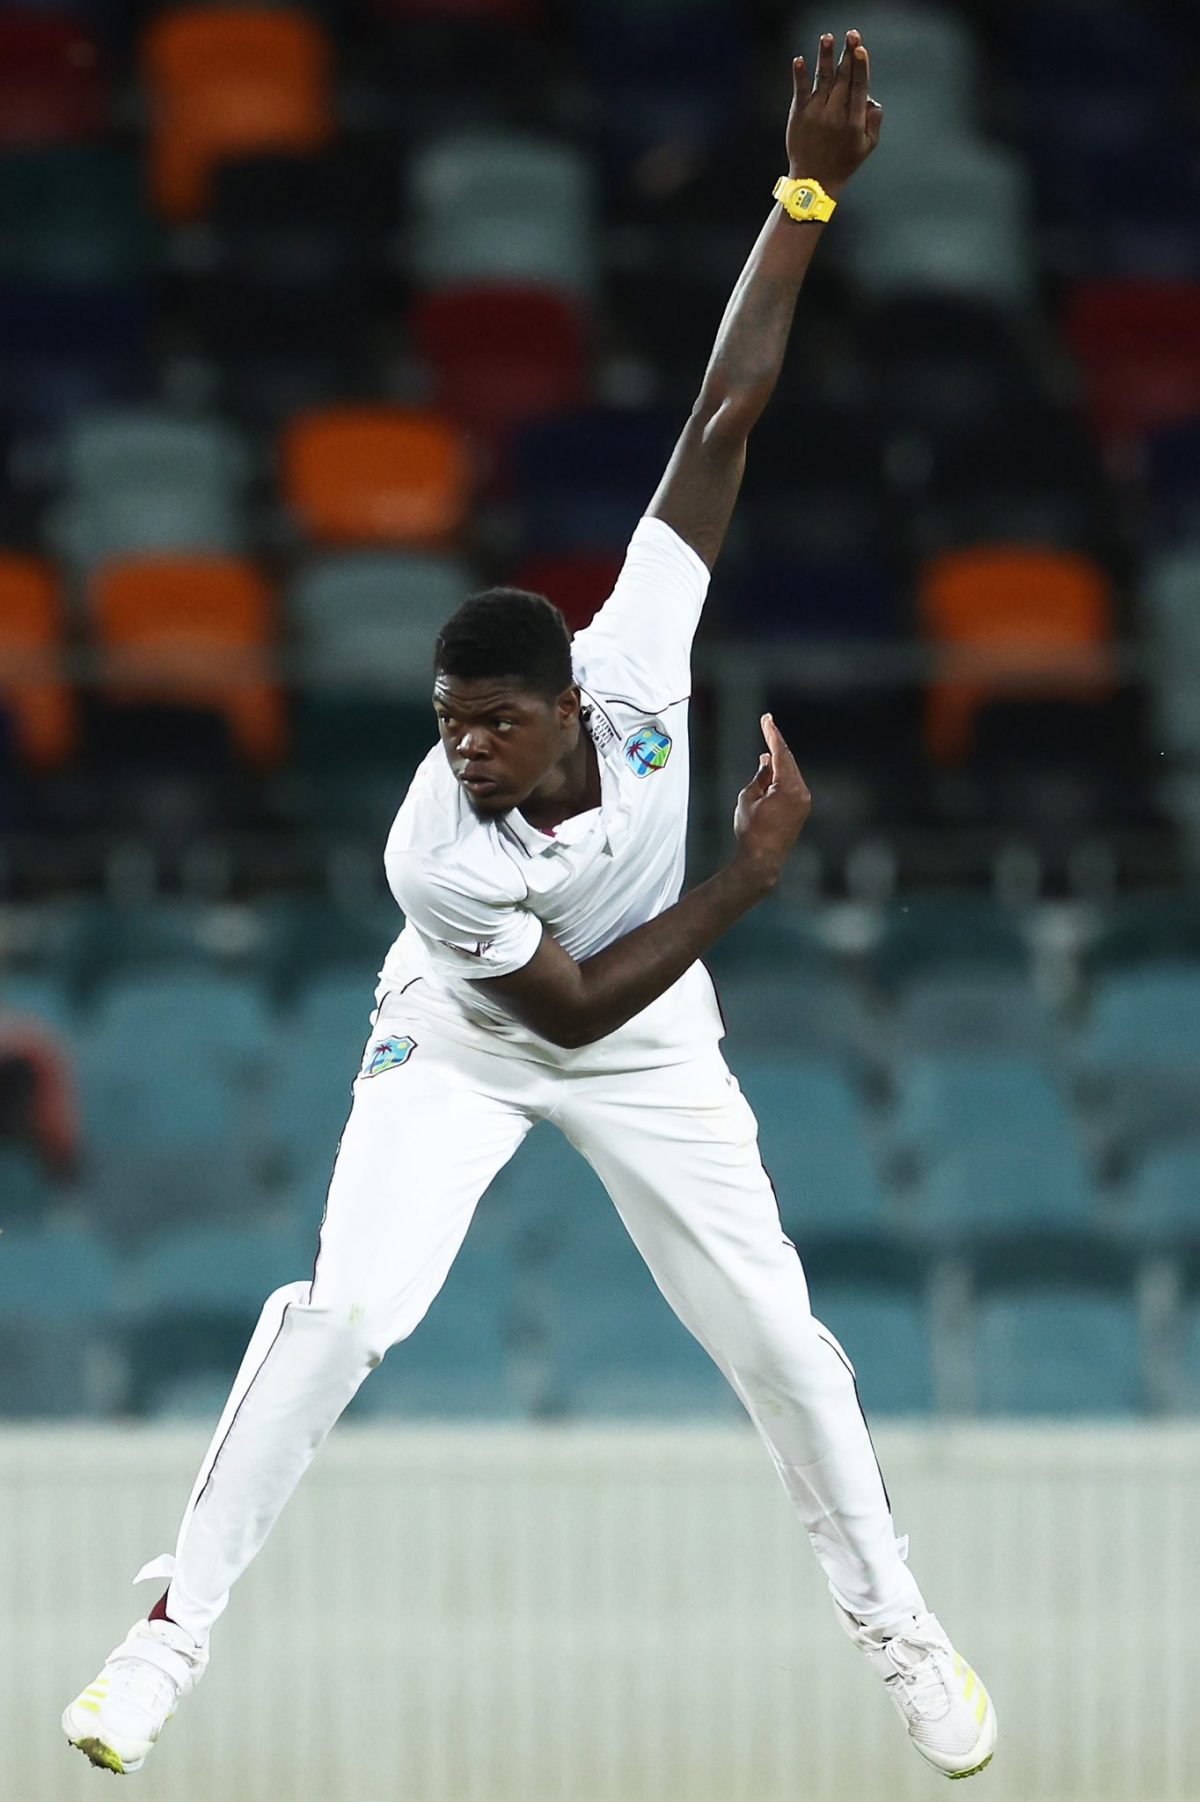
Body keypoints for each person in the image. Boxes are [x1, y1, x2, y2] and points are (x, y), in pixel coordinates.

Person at [64, 32, 997, 1783]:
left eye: (496, 720)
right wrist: (748, 872)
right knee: (351, 1309)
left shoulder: (637, 651)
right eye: (447, 726)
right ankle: (168, 1630)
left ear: (570, 693)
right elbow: (560, 1010)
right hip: (477, 1032)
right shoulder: (439, 848)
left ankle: (896, 1621)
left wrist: (803, 192)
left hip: (661, 1043)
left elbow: (726, 407)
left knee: (785, 1345)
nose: (472, 749)